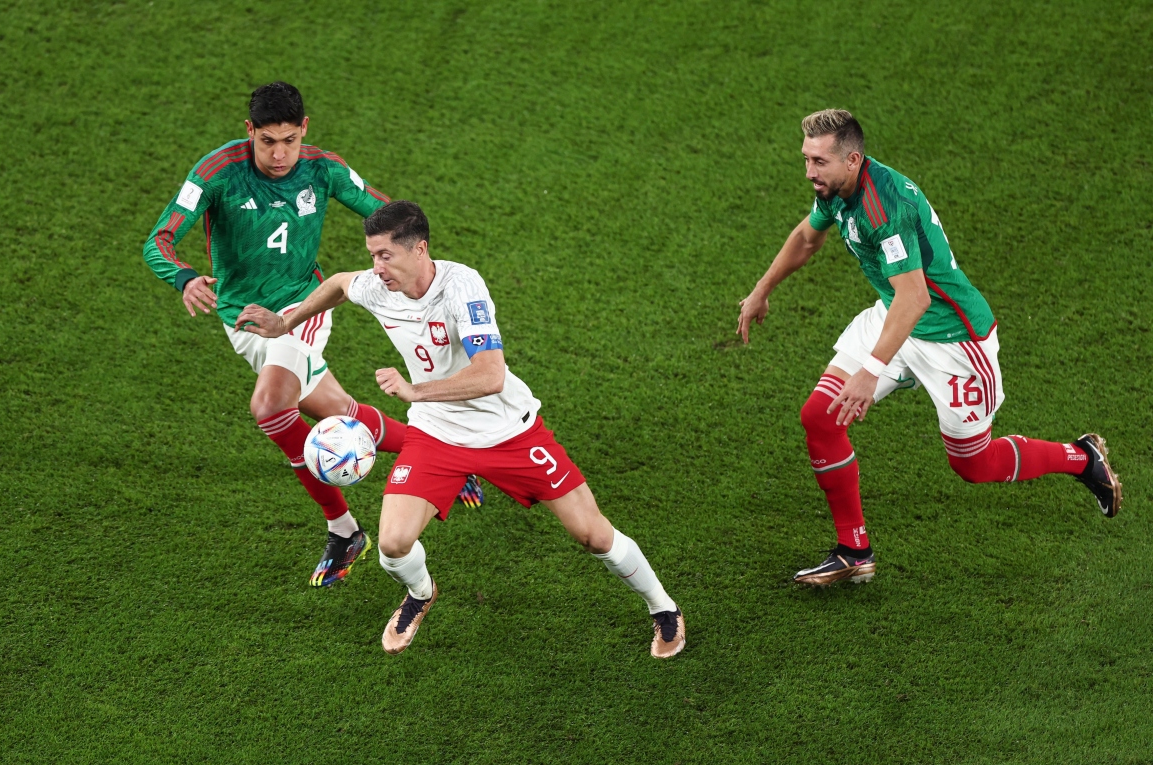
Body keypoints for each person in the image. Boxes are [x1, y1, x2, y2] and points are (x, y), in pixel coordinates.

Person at [236, 200, 685, 657]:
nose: (375, 267)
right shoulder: (377, 287)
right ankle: (421, 594)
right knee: (392, 545)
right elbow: (336, 285)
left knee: (593, 534)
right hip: (437, 436)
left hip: (510, 432)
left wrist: (415, 393)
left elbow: (490, 375)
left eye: (385, 256)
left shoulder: (461, 288)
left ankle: (663, 608)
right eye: (371, 255)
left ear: (420, 250)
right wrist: (285, 322)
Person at [737, 109, 1122, 586]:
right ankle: (854, 550)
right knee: (820, 416)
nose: (809, 172)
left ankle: (1082, 457)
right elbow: (805, 238)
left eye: (818, 162)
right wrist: (762, 289)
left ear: (852, 159)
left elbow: (917, 296)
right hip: (895, 317)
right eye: (807, 160)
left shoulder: (885, 207)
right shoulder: (836, 190)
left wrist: (870, 369)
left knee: (974, 465)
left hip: (953, 340)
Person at [142, 82, 482, 588]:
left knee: (271, 407)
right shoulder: (216, 173)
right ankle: (449, 454)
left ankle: (343, 530)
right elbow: (159, 239)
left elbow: (385, 211)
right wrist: (186, 276)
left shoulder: (323, 168)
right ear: (249, 131)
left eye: (289, 141)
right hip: (242, 319)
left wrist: (415, 263)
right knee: (334, 408)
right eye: (267, 142)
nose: (279, 155)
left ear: (305, 129)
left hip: (302, 307)